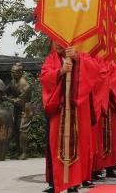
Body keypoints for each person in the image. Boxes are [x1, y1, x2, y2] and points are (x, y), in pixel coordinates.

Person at [40, 43, 99, 193]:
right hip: (58, 111)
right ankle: (55, 183)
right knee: (54, 145)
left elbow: (94, 71)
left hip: (77, 112)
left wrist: (77, 59)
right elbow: (44, 78)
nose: (58, 45)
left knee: (77, 144)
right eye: (55, 41)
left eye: (61, 41)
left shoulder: (81, 55)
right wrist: (60, 72)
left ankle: (73, 183)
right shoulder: (51, 59)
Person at [5, 63, 33, 160]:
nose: (12, 74)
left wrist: (6, 99)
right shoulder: (13, 81)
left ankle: (24, 153)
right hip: (17, 109)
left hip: (25, 109)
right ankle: (18, 152)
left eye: (14, 72)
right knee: (16, 130)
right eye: (11, 72)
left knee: (22, 130)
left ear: (20, 73)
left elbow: (19, 101)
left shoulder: (25, 86)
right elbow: (6, 91)